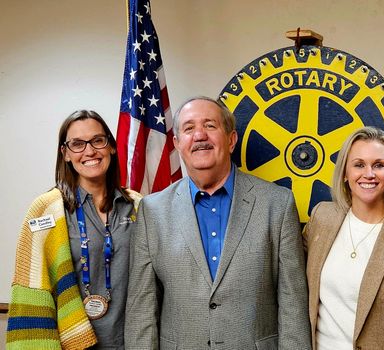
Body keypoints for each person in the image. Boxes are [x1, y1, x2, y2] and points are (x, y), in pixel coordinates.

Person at [124, 96, 311, 349]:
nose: (199, 135)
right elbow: (141, 309)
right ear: (177, 144)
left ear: (231, 139)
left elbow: (293, 305)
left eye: (210, 126)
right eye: (189, 128)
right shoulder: (152, 210)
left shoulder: (277, 204)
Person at [6, 110, 142, 349]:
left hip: (132, 340)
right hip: (71, 343)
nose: (89, 151)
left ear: (110, 146)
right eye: (77, 144)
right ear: (65, 154)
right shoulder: (45, 210)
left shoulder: (138, 206)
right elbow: (31, 286)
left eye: (98, 140)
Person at [303, 126, 384, 350]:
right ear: (345, 173)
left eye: (379, 165)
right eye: (359, 164)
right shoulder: (321, 217)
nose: (369, 174)